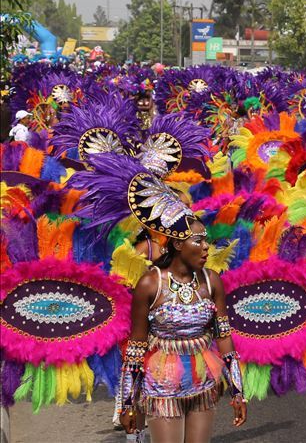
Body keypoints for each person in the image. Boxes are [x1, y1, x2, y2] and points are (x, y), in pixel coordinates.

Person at [74, 155, 247, 443]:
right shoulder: (150, 284)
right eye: (198, 241)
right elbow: (136, 348)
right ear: (178, 244)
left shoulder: (211, 281)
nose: (206, 247)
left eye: (205, 240)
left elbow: (225, 339)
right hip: (162, 382)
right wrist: (128, 403)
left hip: (203, 380)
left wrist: (238, 391)